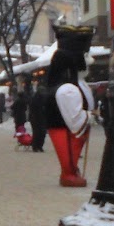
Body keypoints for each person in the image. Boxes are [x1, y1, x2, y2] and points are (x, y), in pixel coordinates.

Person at [45, 27, 95, 187]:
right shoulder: (68, 90)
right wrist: (89, 116)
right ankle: (68, 171)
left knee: (72, 152)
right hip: (63, 129)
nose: (91, 61)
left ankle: (71, 169)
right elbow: (75, 122)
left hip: (64, 128)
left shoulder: (77, 85)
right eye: (85, 56)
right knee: (68, 150)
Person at [28, 79, 49, 153]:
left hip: (42, 118)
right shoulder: (34, 99)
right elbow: (32, 109)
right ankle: (35, 146)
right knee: (37, 132)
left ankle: (40, 146)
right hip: (35, 118)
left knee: (42, 133)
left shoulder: (44, 98)